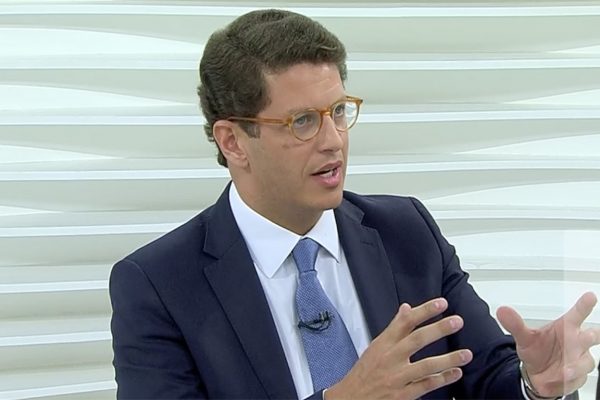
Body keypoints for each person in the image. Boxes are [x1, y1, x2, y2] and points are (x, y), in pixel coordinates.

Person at [109, 8, 599, 400]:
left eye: (339, 112)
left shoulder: (406, 231)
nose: (333, 141)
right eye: (303, 121)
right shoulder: (158, 285)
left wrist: (535, 384)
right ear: (233, 141)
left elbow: (487, 378)